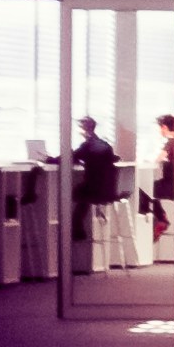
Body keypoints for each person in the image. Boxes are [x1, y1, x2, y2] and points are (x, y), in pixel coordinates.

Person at [71, 113, 117, 267]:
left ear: (84, 130)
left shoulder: (87, 145)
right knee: (83, 193)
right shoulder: (105, 145)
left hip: (94, 192)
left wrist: (48, 159)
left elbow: (70, 158)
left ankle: (76, 228)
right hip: (108, 192)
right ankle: (78, 227)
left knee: (76, 193)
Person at [150, 111, 174, 251]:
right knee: (151, 188)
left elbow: (159, 158)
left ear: (165, 128)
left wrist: (152, 161)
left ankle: (161, 218)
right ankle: (161, 218)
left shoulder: (172, 142)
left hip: (171, 186)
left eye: (160, 127)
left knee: (146, 189)